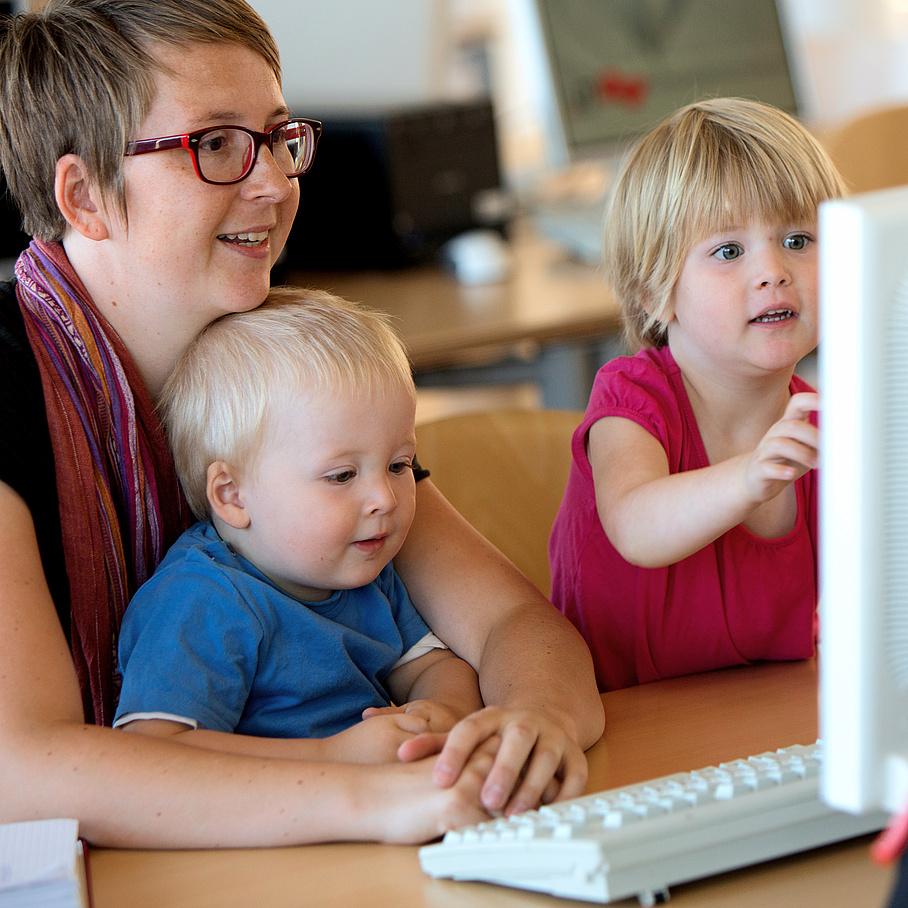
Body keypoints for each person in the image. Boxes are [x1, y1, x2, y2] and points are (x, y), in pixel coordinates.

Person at [0, 0, 603, 847]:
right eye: (213, 145)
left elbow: (513, 627)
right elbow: (23, 773)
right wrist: (364, 797)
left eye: (279, 138)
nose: (276, 183)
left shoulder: (281, 370)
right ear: (85, 195)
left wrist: (529, 725)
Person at [549, 98, 846, 692]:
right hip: (627, 725)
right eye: (729, 251)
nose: (773, 271)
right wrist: (749, 477)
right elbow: (636, 525)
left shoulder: (822, 422)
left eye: (798, 239)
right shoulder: (632, 399)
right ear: (655, 293)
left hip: (762, 717)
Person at [114, 288, 484, 757]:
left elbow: (433, 664)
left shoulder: (363, 570)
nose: (384, 498)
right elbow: (152, 753)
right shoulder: (200, 602)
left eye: (399, 464)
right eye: (342, 475)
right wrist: (332, 757)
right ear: (232, 495)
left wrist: (440, 712)